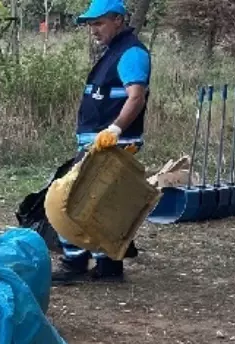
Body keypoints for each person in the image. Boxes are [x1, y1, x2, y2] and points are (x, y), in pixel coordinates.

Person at [53, 0, 151, 284]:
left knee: (72, 199)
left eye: (98, 23)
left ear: (117, 20)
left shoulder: (131, 52)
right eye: (90, 25)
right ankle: (108, 266)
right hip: (99, 143)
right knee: (100, 204)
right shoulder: (114, 52)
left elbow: (136, 97)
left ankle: (75, 264)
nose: (93, 30)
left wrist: (115, 130)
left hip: (112, 144)